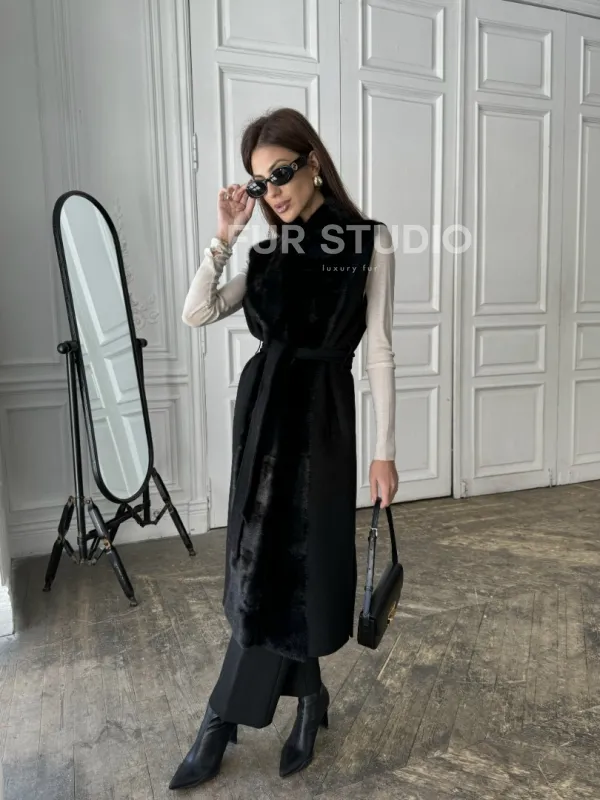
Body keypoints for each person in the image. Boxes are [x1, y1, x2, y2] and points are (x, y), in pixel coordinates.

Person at [169, 107, 398, 791]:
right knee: (265, 569)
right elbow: (197, 312)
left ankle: (221, 719)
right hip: (263, 419)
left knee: (287, 567)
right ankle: (308, 699)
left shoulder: (367, 241)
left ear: (313, 163)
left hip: (321, 422)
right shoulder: (267, 253)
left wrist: (384, 451)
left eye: (282, 173)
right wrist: (225, 236)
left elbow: (380, 351)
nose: (273, 191)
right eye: (259, 182)